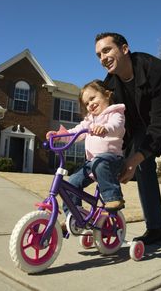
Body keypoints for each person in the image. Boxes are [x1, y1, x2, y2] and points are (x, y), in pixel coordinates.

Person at [95, 32, 161, 245]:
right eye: (98, 54)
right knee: (140, 165)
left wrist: (133, 160)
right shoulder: (110, 86)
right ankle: (156, 228)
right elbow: (116, 124)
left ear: (124, 49)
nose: (102, 58)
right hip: (143, 127)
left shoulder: (159, 72)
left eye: (107, 50)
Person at [46, 79, 126, 230]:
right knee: (71, 183)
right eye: (87, 103)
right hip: (92, 163)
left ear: (107, 95)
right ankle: (75, 216)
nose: (90, 104)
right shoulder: (89, 121)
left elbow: (118, 127)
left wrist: (105, 128)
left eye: (93, 98)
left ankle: (113, 198)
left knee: (101, 163)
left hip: (111, 159)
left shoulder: (115, 113)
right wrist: (58, 135)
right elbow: (75, 132)